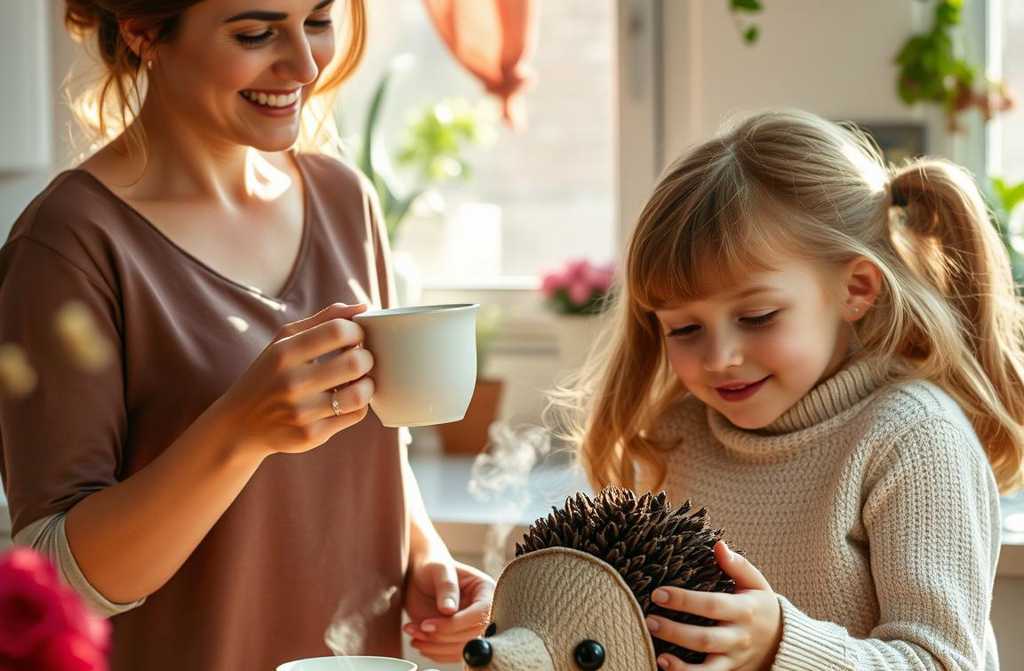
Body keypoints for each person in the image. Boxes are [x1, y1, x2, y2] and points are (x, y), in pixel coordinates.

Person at [0, 1, 492, 669]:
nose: (308, 64)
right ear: (145, 30)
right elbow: (57, 579)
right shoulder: (66, 244)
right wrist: (239, 428)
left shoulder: (348, 201)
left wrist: (425, 555)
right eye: (257, 33)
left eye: (317, 20)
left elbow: (381, 446)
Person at [556, 109, 1023, 670]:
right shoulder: (677, 435)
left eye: (757, 316)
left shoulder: (914, 440)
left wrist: (782, 645)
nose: (720, 358)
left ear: (855, 289)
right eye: (684, 329)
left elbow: (944, 663)